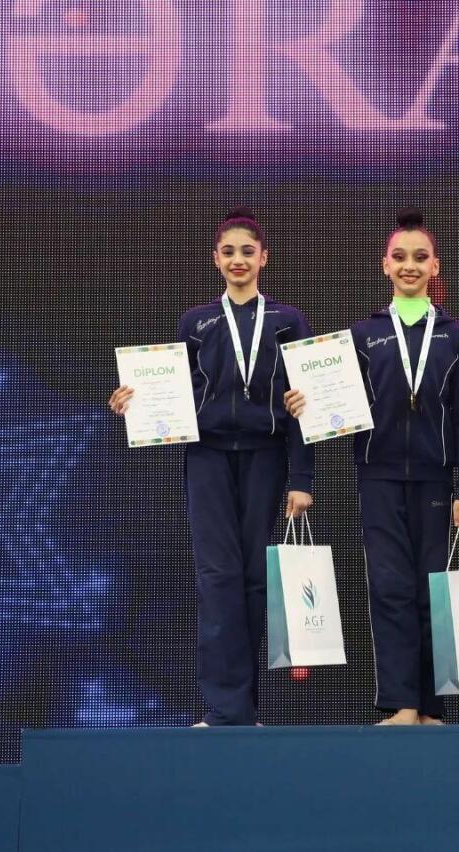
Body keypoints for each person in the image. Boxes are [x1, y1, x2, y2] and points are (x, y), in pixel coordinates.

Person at [109, 208, 313, 726]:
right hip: (208, 458)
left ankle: (246, 708)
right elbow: (172, 395)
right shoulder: (195, 322)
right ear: (215, 260)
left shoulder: (288, 321)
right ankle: (224, 710)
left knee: (254, 579)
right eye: (228, 252)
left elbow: (302, 404)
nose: (238, 260)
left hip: (266, 456)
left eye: (247, 251)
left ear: (264, 258)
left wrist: (302, 479)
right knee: (218, 577)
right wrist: (135, 403)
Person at [286, 209, 459, 725]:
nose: (409, 265)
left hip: (437, 479)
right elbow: (336, 404)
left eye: (420, 257)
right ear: (385, 265)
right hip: (378, 476)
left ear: (435, 266)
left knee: (433, 590)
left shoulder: (456, 336)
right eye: (400, 256)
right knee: (390, 588)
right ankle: (402, 703)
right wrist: (308, 402)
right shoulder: (363, 334)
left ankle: (432, 707)